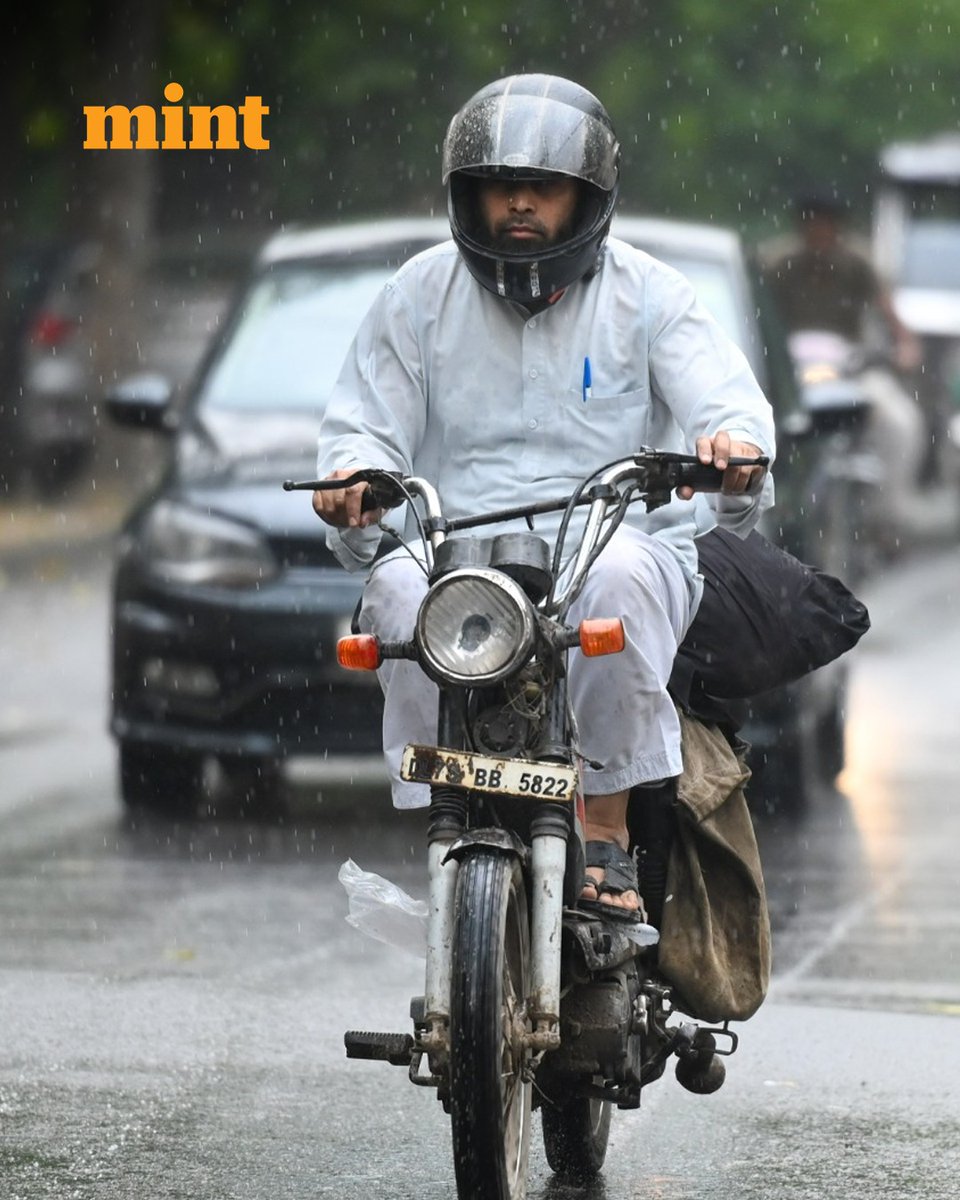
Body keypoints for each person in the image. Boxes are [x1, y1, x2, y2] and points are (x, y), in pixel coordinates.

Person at [313, 74, 775, 916]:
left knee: (620, 579)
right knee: (392, 587)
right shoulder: (416, 294)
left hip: (615, 545)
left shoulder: (654, 297)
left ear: (587, 198)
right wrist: (353, 481)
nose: (520, 204)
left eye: (544, 186)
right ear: (468, 195)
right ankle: (450, 815)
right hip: (462, 555)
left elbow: (730, 405)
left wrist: (735, 447)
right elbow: (362, 430)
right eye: (500, 184)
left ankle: (605, 829)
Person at [762, 191, 924, 549]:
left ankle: (885, 515)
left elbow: (889, 314)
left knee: (901, 421)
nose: (819, 232)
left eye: (826, 224)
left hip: (850, 367)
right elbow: (756, 311)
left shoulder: (857, 264)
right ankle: (773, 505)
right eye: (812, 224)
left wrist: (905, 347)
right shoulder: (777, 264)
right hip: (790, 370)